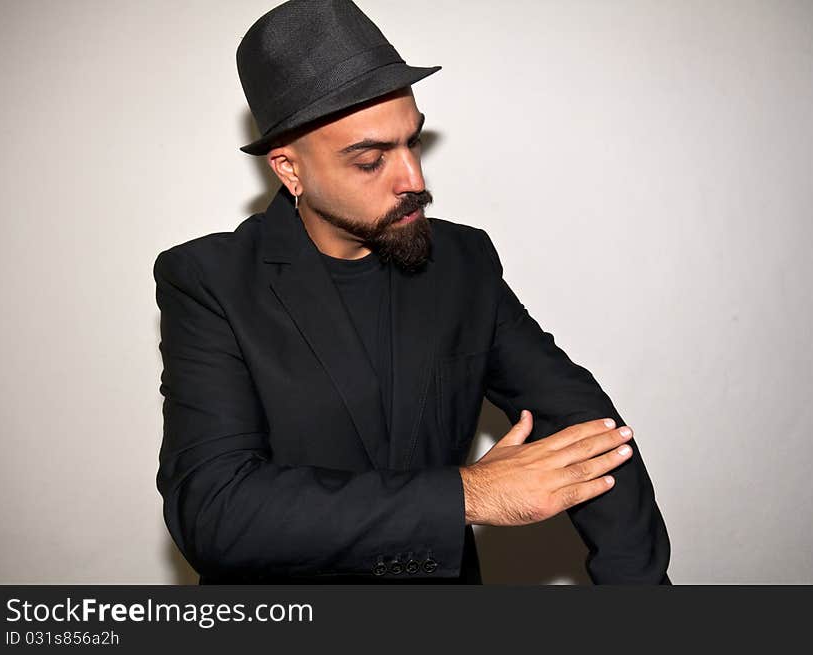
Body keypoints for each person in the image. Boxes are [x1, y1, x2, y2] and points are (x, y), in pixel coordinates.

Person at [154, 0, 671, 584]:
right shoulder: (207, 281)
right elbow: (216, 512)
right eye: (371, 161)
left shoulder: (462, 262)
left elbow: (587, 429)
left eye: (413, 143)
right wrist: (467, 496)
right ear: (290, 170)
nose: (414, 181)